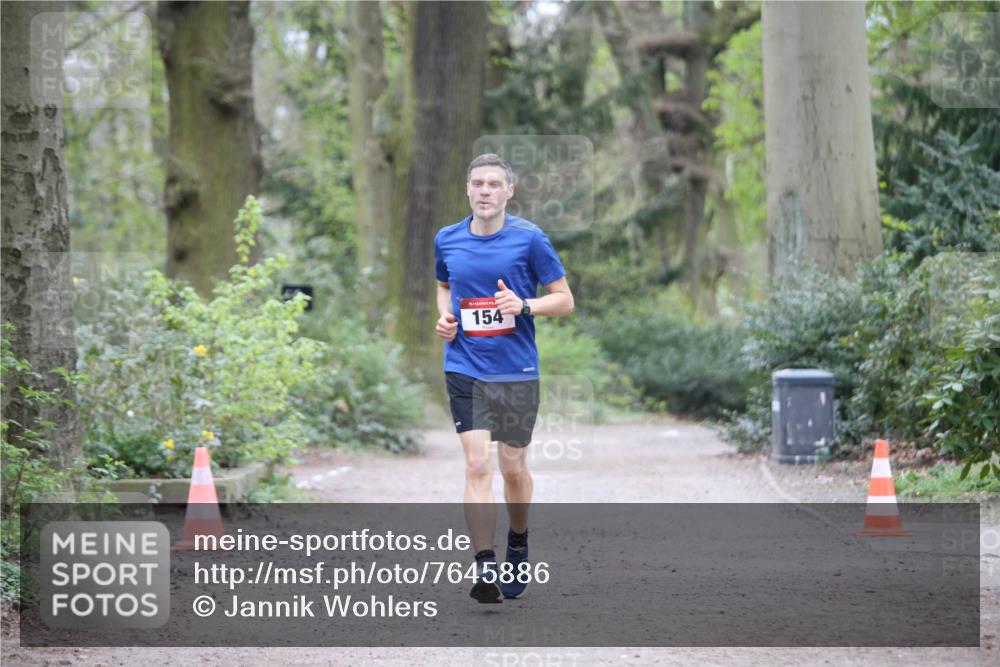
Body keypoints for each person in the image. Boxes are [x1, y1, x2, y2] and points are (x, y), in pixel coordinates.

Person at [433, 153, 575, 603]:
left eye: (494, 184)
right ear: (467, 190)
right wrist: (445, 318)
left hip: (516, 371)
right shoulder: (447, 239)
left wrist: (525, 306)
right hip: (464, 365)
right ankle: (485, 565)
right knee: (477, 465)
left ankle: (518, 541)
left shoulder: (530, 239)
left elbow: (565, 299)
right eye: (478, 183)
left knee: (513, 469)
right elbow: (443, 285)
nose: (485, 191)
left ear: (509, 191)